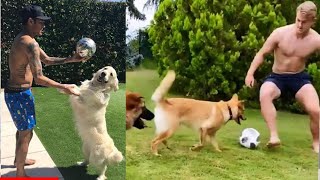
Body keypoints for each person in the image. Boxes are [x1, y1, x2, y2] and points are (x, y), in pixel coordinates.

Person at [4, 5, 89, 177]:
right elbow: (39, 78)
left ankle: (18, 160)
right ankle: (20, 173)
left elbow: (48, 60)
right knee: (25, 134)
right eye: (41, 22)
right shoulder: (30, 44)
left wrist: (71, 59)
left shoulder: (24, 39)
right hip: (19, 94)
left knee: (25, 131)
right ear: (30, 21)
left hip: (17, 93)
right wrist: (63, 86)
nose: (44, 26)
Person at [245, 1, 320, 153]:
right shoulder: (280, 33)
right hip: (277, 77)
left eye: (304, 22)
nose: (299, 25)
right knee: (265, 94)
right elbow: (262, 53)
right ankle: (274, 137)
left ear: (313, 21)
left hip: (299, 78)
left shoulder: (316, 40)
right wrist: (250, 73)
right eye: (298, 20)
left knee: (316, 110)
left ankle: (316, 143)